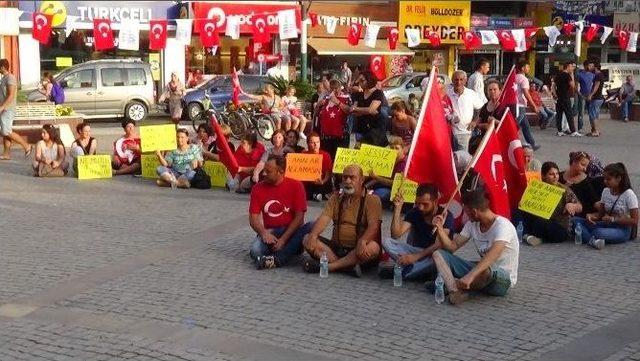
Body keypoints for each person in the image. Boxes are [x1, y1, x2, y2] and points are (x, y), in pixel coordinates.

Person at [432, 189, 519, 305]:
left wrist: (470, 276)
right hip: (479, 272)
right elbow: (452, 247)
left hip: (501, 279)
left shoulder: (503, 226)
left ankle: (451, 285)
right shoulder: (472, 225)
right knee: (438, 254)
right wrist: (440, 229)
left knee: (484, 271)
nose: (465, 216)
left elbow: (493, 255)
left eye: (466, 212)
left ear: (474, 212)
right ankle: (455, 291)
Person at [302, 164, 382, 277]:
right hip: (337, 248)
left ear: (362, 180)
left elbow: (374, 226)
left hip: (358, 249)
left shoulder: (372, 200)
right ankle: (347, 267)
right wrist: (313, 235)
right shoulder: (335, 198)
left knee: (374, 247)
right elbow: (324, 218)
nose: (348, 181)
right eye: (345, 177)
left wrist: (363, 241)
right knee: (307, 239)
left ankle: (330, 266)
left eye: (352, 177)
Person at [249, 155, 312, 269]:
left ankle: (277, 259)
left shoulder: (296, 186)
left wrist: (283, 240)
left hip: (292, 231)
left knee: (313, 225)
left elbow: (299, 218)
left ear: (280, 172)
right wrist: (264, 233)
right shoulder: (258, 188)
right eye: (264, 170)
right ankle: (282, 254)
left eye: (268, 171)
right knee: (255, 251)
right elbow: (253, 218)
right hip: (271, 232)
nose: (264, 174)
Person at [381, 184, 454, 281]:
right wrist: (397, 209)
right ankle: (417, 271)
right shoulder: (415, 212)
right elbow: (395, 234)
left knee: (437, 259)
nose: (421, 207)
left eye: (425, 204)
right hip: (415, 251)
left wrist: (416, 257)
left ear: (435, 202)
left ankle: (405, 272)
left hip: (432, 255)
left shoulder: (446, 215)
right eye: (418, 203)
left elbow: (439, 245)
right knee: (386, 241)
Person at [574, 163, 638, 249]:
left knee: (598, 232)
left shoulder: (629, 194)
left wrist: (613, 219)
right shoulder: (606, 191)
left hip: (622, 229)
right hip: (605, 224)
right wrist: (592, 216)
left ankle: (588, 238)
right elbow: (601, 215)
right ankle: (593, 240)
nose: (605, 181)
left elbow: (635, 220)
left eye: (608, 179)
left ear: (618, 179)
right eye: (604, 178)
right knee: (574, 221)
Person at [523, 162, 582, 246]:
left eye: (557, 173)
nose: (555, 176)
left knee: (542, 223)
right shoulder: (537, 187)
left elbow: (580, 207)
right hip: (540, 221)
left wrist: (573, 206)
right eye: (551, 174)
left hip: (558, 226)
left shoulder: (564, 189)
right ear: (543, 176)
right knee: (521, 213)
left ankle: (532, 237)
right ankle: (530, 235)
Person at [0, 58, 32, 160]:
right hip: (4, 108)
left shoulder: (10, 78)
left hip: (8, 109)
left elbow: (11, 95)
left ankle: (26, 146)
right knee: (5, 131)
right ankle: (6, 154)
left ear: (3, 67)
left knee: (6, 131)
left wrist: (3, 107)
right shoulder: (4, 78)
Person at [447, 70, 483, 152]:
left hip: (464, 132)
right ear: (452, 80)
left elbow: (479, 107)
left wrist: (474, 121)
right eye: (456, 79)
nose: (458, 82)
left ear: (465, 81)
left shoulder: (471, 94)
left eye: (461, 79)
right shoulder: (447, 94)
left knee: (462, 157)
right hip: (449, 131)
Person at [365, 136, 407, 206]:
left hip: (396, 190)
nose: (394, 150)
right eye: (392, 148)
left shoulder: (403, 164)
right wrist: (366, 186)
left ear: (403, 149)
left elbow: (395, 184)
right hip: (385, 184)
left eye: (397, 148)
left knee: (378, 194)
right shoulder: (390, 159)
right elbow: (380, 176)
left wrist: (377, 178)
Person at [351, 71, 388, 147]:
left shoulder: (377, 93)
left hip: (375, 129)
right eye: (359, 81)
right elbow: (353, 111)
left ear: (369, 80)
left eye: (362, 80)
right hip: (361, 128)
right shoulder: (359, 94)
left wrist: (357, 109)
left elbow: (371, 109)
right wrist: (367, 110)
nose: (360, 83)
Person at [317, 79, 351, 160]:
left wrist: (337, 101)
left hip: (341, 136)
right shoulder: (326, 97)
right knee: (327, 159)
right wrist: (318, 104)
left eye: (336, 88)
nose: (334, 90)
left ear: (340, 88)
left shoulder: (346, 97)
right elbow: (317, 112)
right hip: (326, 136)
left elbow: (349, 110)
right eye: (332, 88)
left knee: (339, 161)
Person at [559, 151, 600, 217]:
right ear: (574, 161)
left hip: (578, 216)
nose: (585, 169)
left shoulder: (586, 182)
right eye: (582, 165)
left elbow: (594, 201)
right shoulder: (559, 176)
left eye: (586, 166)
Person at [514, 60, 541, 149]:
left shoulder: (514, 77)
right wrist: (533, 105)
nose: (529, 69)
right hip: (520, 105)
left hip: (514, 104)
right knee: (515, 125)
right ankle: (511, 142)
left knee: (525, 125)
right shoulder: (524, 79)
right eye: (527, 67)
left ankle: (532, 143)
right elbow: (526, 93)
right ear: (522, 68)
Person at [303, 132, 333, 201]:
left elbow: (328, 173)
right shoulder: (304, 154)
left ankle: (319, 195)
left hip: (321, 181)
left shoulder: (325, 155)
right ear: (308, 144)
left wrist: (322, 181)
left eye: (317, 142)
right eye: (312, 142)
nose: (316, 145)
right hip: (308, 182)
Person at [554, 60, 580, 137]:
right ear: (568, 66)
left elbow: (553, 85)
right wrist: (572, 75)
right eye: (572, 67)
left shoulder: (558, 75)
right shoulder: (567, 75)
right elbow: (572, 85)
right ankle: (573, 131)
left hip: (559, 97)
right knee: (569, 114)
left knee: (559, 114)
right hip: (565, 97)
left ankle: (559, 131)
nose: (572, 69)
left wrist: (555, 94)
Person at [586, 61, 605, 136]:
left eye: (591, 66)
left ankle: (595, 131)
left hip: (596, 98)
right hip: (599, 98)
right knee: (595, 115)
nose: (589, 67)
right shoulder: (600, 75)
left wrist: (591, 95)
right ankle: (594, 130)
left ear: (595, 67)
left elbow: (596, 86)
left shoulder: (598, 75)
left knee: (592, 115)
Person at [576, 60, 595, 131]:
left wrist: (592, 94)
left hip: (590, 95)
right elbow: (577, 86)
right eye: (590, 66)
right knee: (581, 112)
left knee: (591, 112)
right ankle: (580, 127)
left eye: (592, 66)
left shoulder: (592, 75)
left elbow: (594, 85)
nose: (591, 67)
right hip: (582, 95)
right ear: (586, 66)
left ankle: (593, 127)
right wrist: (580, 94)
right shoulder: (579, 74)